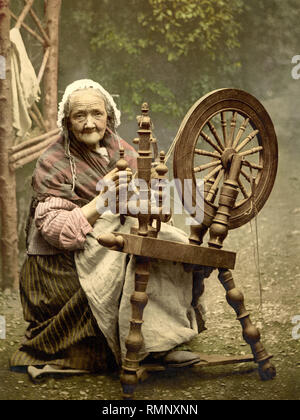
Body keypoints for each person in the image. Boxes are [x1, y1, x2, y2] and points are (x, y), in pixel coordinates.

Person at [10, 80, 204, 380]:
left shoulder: (119, 147)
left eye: (96, 114)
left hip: (104, 237)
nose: (90, 124)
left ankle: (165, 336)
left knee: (168, 241)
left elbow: (146, 198)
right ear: (67, 121)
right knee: (128, 255)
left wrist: (156, 192)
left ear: (108, 116)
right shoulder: (53, 161)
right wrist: (103, 200)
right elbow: (56, 232)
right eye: (80, 116)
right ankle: (145, 346)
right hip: (58, 264)